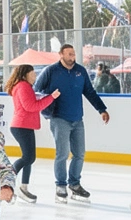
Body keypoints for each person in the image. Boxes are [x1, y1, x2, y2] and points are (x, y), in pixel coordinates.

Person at [33, 44, 110, 204]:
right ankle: (60, 185)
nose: (72, 57)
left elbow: (89, 92)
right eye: (69, 54)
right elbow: (37, 91)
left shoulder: (80, 71)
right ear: (61, 55)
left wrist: (101, 109)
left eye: (73, 54)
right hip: (58, 118)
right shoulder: (50, 71)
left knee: (80, 153)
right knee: (62, 153)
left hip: (77, 119)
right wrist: (46, 108)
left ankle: (74, 184)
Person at [5, 63, 59, 204]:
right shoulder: (23, 86)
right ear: (25, 74)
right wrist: (51, 97)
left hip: (25, 125)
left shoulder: (24, 87)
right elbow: (30, 106)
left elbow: (30, 103)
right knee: (29, 158)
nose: (35, 76)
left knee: (28, 157)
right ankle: (6, 180)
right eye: (32, 73)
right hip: (21, 126)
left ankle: (23, 187)